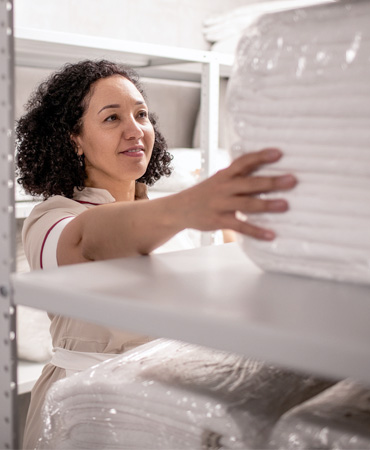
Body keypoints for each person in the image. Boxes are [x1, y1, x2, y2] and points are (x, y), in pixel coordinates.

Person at [15, 59, 297, 449]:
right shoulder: (52, 218)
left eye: (142, 114)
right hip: (86, 417)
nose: (135, 130)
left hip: (164, 409)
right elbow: (89, 242)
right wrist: (187, 207)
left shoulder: (167, 219)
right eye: (112, 118)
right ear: (74, 138)